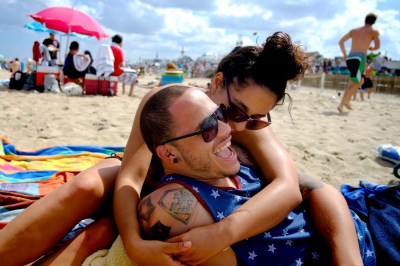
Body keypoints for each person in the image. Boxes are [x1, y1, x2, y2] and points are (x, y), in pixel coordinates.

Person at [0, 32, 361, 266]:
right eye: (235, 111)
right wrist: (135, 244)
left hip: (174, 195)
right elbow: (133, 172)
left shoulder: (245, 126)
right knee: (86, 187)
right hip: (149, 177)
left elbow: (290, 185)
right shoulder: (166, 100)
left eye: (255, 119)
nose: (236, 126)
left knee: (97, 233)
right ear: (218, 81)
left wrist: (222, 234)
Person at [138, 85, 376, 265]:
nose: (227, 129)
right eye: (208, 128)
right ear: (168, 153)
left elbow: (319, 189)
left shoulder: (238, 157)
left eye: (219, 115)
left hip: (360, 236)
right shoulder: (171, 206)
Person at [337, 13, 380, 112]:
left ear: (365, 20)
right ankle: (342, 104)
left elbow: (341, 42)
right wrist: (371, 48)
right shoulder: (373, 32)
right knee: (358, 82)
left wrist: (345, 55)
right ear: (373, 22)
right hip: (360, 58)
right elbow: (377, 46)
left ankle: (346, 101)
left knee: (356, 81)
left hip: (351, 58)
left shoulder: (354, 30)